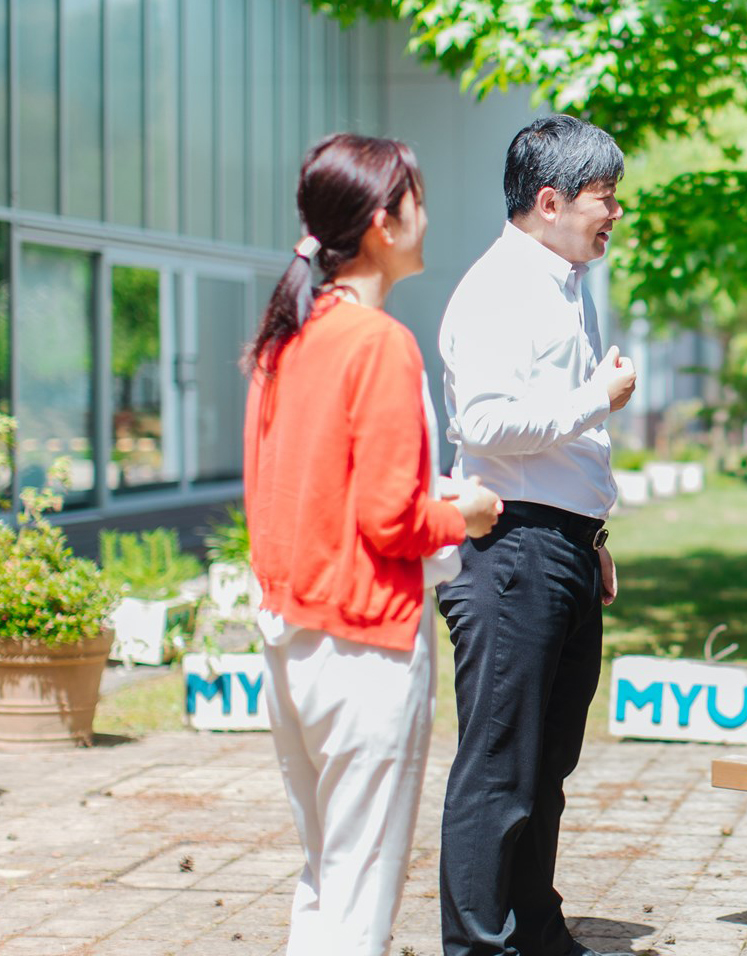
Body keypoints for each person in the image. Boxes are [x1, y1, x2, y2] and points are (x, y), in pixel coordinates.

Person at [244, 132, 503, 956]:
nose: (428, 217)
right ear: (386, 221)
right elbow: (390, 519)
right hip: (366, 645)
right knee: (357, 899)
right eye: (417, 200)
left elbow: (278, 496)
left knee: (325, 876)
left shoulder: (283, 338)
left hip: (292, 633)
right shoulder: (380, 345)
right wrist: (467, 514)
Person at [436, 114, 637, 956]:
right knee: (499, 769)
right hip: (510, 552)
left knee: (545, 762)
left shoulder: (561, 282)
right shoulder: (499, 289)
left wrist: (592, 534)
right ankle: (480, 942)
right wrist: (599, 396)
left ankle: (535, 930)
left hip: (559, 548)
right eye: (604, 197)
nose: (615, 213)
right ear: (549, 201)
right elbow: (482, 423)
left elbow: (558, 444)